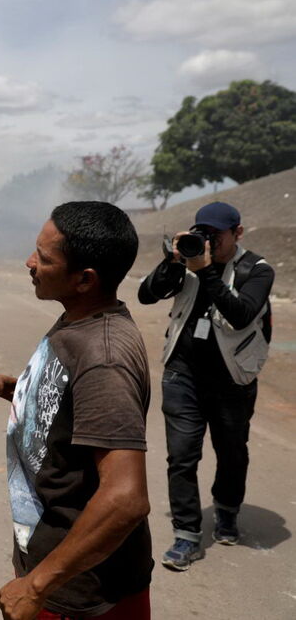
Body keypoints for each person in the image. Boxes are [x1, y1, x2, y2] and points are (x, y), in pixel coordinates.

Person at [0, 202, 153, 620]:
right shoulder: (77, 320)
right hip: (54, 571)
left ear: (85, 279)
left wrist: (36, 586)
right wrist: (9, 386)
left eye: (44, 257)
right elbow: (69, 403)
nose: (29, 262)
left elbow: (125, 498)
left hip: (82, 594)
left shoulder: (104, 357)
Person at [138, 201, 273, 571]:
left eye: (217, 234)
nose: (209, 240)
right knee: (181, 457)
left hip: (233, 379)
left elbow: (241, 314)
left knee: (232, 453)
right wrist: (172, 262)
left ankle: (227, 510)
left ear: (237, 233)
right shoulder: (187, 260)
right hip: (183, 374)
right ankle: (187, 535)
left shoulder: (257, 270)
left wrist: (206, 270)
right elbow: (146, 295)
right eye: (203, 232)